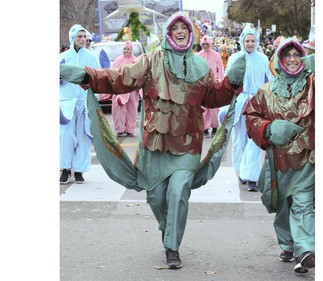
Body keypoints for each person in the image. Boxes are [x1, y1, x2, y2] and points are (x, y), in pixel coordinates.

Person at [60, 11, 245, 269]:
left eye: (185, 26)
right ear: (169, 32)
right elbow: (120, 79)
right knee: (157, 198)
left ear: (190, 33)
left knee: (179, 190)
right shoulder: (150, 60)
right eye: (176, 26)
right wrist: (87, 76)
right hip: (155, 145)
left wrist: (231, 83)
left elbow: (212, 98)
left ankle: (172, 246)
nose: (180, 30)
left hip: (188, 145)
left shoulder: (201, 67)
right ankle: (168, 229)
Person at [243, 37, 315, 274]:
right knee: (284, 204)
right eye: (288, 55)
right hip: (280, 160)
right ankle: (287, 243)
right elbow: (251, 116)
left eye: (297, 55)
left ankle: (305, 250)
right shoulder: (267, 91)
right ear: (280, 59)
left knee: (303, 203)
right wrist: (268, 129)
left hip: (308, 158)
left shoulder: (314, 84)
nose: (293, 59)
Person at [231, 26, 274, 191]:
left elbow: (270, 80)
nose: (250, 44)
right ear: (242, 41)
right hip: (239, 103)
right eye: (247, 41)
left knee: (255, 139)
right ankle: (241, 171)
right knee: (239, 140)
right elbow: (229, 82)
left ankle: (252, 177)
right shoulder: (236, 58)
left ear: (257, 41)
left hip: (257, 103)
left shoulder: (263, 59)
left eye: (253, 41)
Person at [59, 24, 101, 184]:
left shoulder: (92, 57)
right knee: (66, 136)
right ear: (72, 38)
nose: (83, 39)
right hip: (67, 103)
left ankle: (79, 170)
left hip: (84, 103)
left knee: (83, 137)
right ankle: (65, 168)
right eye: (79, 36)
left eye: (84, 36)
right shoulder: (62, 57)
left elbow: (98, 78)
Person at [111, 41, 141, 137]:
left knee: (131, 109)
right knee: (118, 109)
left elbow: (139, 74)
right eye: (125, 49)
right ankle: (120, 129)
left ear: (131, 50)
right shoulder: (117, 60)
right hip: (119, 89)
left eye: (128, 49)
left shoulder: (136, 60)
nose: (126, 51)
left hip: (131, 89)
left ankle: (130, 130)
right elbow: (112, 72)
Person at [197, 35, 225, 138]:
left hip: (214, 85)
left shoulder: (216, 55)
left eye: (207, 44)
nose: (205, 46)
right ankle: (204, 128)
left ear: (210, 44)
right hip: (203, 85)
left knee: (214, 108)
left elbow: (221, 69)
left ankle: (215, 127)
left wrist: (221, 83)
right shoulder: (198, 55)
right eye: (203, 44)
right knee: (203, 108)